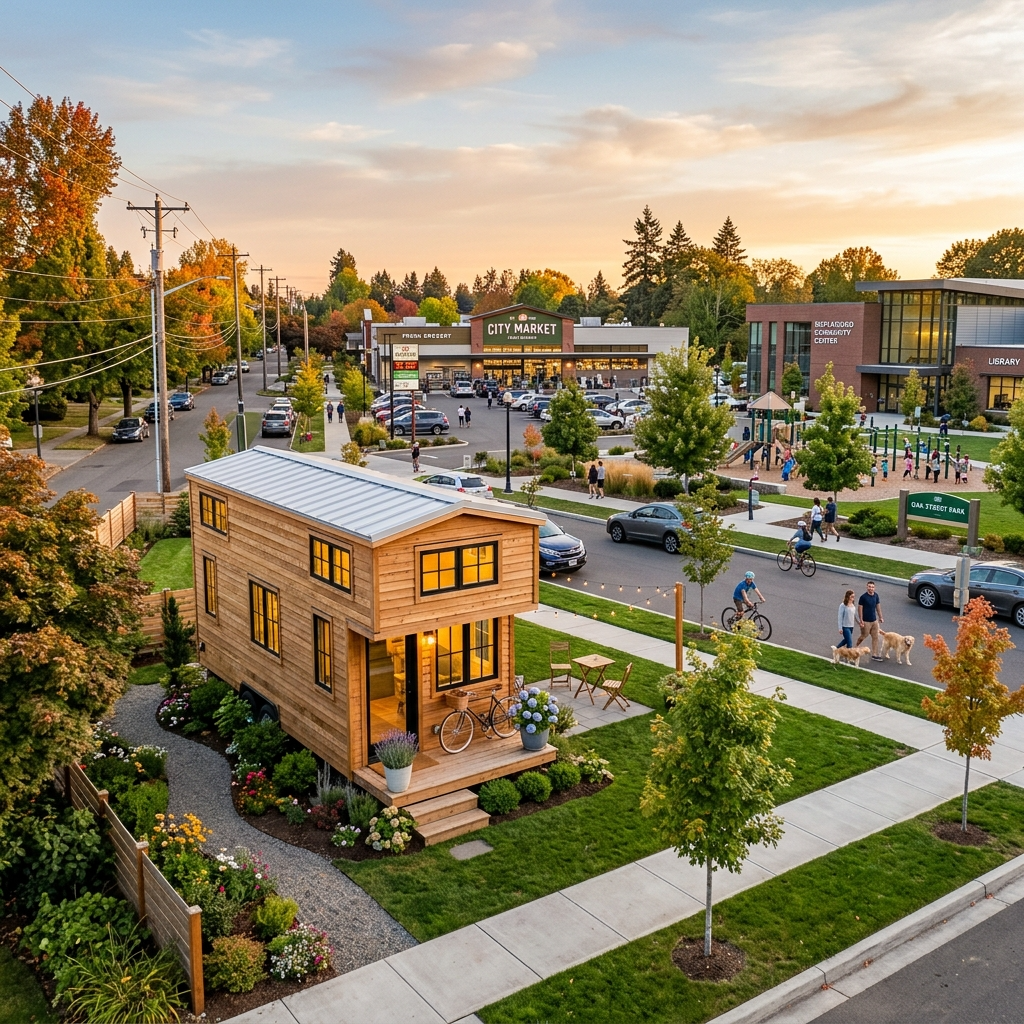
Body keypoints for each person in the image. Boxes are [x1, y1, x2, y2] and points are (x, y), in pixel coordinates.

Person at [856, 581, 884, 660]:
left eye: (872, 587)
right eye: (869, 586)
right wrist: (861, 620)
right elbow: (860, 609)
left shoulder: (876, 596)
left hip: (874, 621)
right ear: (867, 587)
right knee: (863, 636)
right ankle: (855, 647)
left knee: (875, 637)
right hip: (866, 621)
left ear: (874, 588)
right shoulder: (863, 597)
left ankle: (874, 654)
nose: (871, 588)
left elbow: (878, 607)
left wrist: (880, 617)